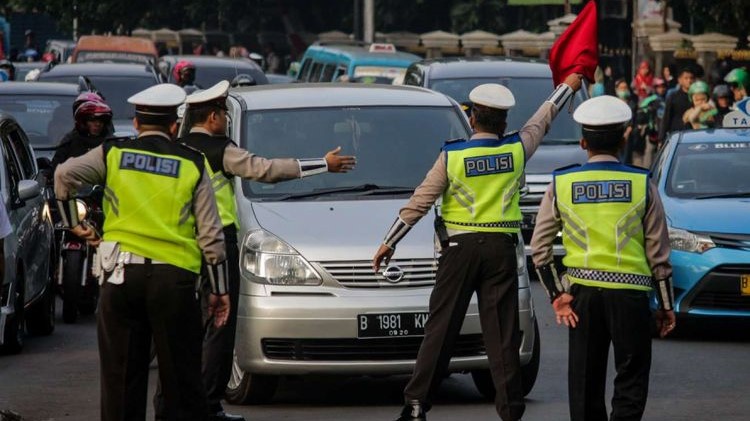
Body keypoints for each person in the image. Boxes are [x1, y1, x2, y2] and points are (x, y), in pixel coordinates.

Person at [372, 73, 583, 421]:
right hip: (501, 249)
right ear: (504, 121)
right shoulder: (517, 149)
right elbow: (543, 118)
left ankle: (415, 406)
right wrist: (568, 86)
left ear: (472, 117)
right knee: (501, 335)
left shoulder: (452, 156)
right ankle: (511, 410)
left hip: (458, 249)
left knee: (440, 330)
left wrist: (389, 242)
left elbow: (420, 201)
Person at [154, 80, 356, 421]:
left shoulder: (177, 149)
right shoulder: (220, 149)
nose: (227, 122)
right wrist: (323, 164)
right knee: (219, 326)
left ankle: (169, 406)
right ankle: (207, 405)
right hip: (218, 246)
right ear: (215, 117)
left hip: (178, 248)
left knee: (178, 331)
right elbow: (265, 170)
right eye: (224, 115)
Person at [54, 83, 230, 421]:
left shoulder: (113, 154)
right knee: (182, 384)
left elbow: (63, 175)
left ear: (136, 124)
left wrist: (73, 223)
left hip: (121, 279)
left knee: (121, 382)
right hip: (174, 283)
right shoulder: (192, 164)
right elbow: (212, 235)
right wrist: (219, 291)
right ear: (174, 126)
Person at [530, 95, 676, 421]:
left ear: (583, 142)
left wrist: (558, 296)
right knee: (632, 377)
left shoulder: (562, 183)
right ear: (624, 138)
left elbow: (539, 249)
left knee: (584, 380)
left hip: (581, 296)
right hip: (632, 296)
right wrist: (666, 305)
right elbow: (659, 253)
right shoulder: (641, 184)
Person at [51, 99, 113, 173]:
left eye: (101, 121)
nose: (97, 124)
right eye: (92, 120)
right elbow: (55, 168)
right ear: (83, 122)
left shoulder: (110, 143)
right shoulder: (71, 141)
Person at [659, 67, 695, 142]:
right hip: (676, 135)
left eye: (691, 78)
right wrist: (661, 138)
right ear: (680, 80)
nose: (689, 81)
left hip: (693, 134)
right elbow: (666, 118)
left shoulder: (697, 97)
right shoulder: (673, 97)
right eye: (686, 78)